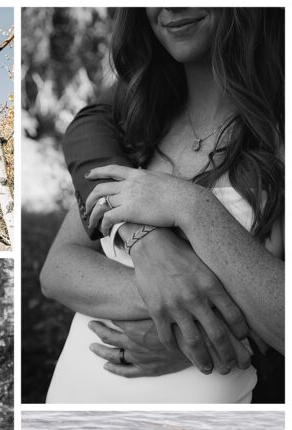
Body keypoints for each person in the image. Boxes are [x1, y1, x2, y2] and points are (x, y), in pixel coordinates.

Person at [40, 8, 283, 403]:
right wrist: (169, 300)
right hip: (74, 404)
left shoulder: (278, 139)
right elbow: (58, 269)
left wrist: (192, 206)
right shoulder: (138, 124)